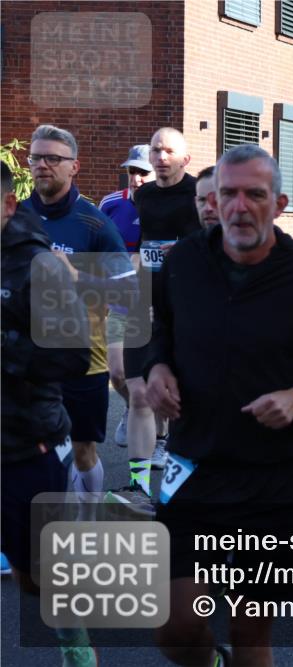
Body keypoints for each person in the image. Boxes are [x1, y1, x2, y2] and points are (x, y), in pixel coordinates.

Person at [147, 144, 293, 665]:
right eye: (228, 194)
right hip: (194, 465)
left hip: (276, 477)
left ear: (279, 203)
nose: (239, 207)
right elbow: (162, 331)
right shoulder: (184, 263)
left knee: (251, 632)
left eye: (255, 194)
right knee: (176, 629)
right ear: (213, 199)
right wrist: (156, 368)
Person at [1, 161, 96, 666]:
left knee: (40, 573)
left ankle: (76, 648)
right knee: (24, 568)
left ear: (9, 205)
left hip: (27, 442)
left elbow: (72, 355)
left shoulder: (42, 265)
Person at [21, 124, 137, 508]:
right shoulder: (15, 218)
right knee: (25, 450)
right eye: (36, 157)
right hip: (25, 358)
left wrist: (74, 276)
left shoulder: (96, 224)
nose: (42, 165)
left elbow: (128, 292)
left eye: (53, 158)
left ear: (75, 167)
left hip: (83, 357)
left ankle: (87, 521)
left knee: (83, 450)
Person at [110, 127, 201, 510]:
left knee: (185, 400)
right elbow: (143, 250)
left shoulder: (200, 196)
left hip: (188, 310)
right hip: (143, 306)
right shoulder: (142, 197)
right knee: (139, 395)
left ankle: (187, 487)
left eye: (168, 151)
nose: (161, 157)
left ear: (185, 158)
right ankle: (139, 486)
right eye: (155, 150)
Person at [99, 144, 154, 449]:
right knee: (117, 372)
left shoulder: (167, 207)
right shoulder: (110, 204)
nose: (136, 178)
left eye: (142, 172)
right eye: (132, 171)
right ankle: (132, 409)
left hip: (156, 304)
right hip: (119, 302)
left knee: (155, 373)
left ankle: (160, 437)